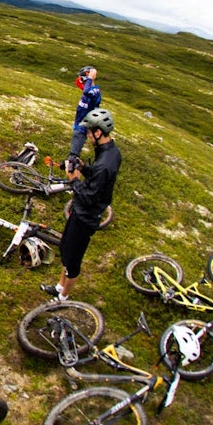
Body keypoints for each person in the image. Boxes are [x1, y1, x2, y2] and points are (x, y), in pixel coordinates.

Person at [42, 108, 121, 302]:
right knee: (66, 250)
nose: (87, 135)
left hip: (85, 216)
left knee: (73, 260)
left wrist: (73, 179)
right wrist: (84, 168)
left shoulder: (105, 164)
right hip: (80, 211)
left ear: (98, 132)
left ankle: (63, 297)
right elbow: (97, 177)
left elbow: (88, 196)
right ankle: (59, 286)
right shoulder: (109, 151)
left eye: (89, 132)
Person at [68, 66, 101, 166]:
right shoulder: (88, 88)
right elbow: (78, 83)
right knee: (72, 155)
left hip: (83, 128)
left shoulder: (95, 91)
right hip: (78, 125)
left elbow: (86, 91)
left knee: (73, 157)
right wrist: (84, 77)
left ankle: (73, 178)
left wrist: (90, 77)